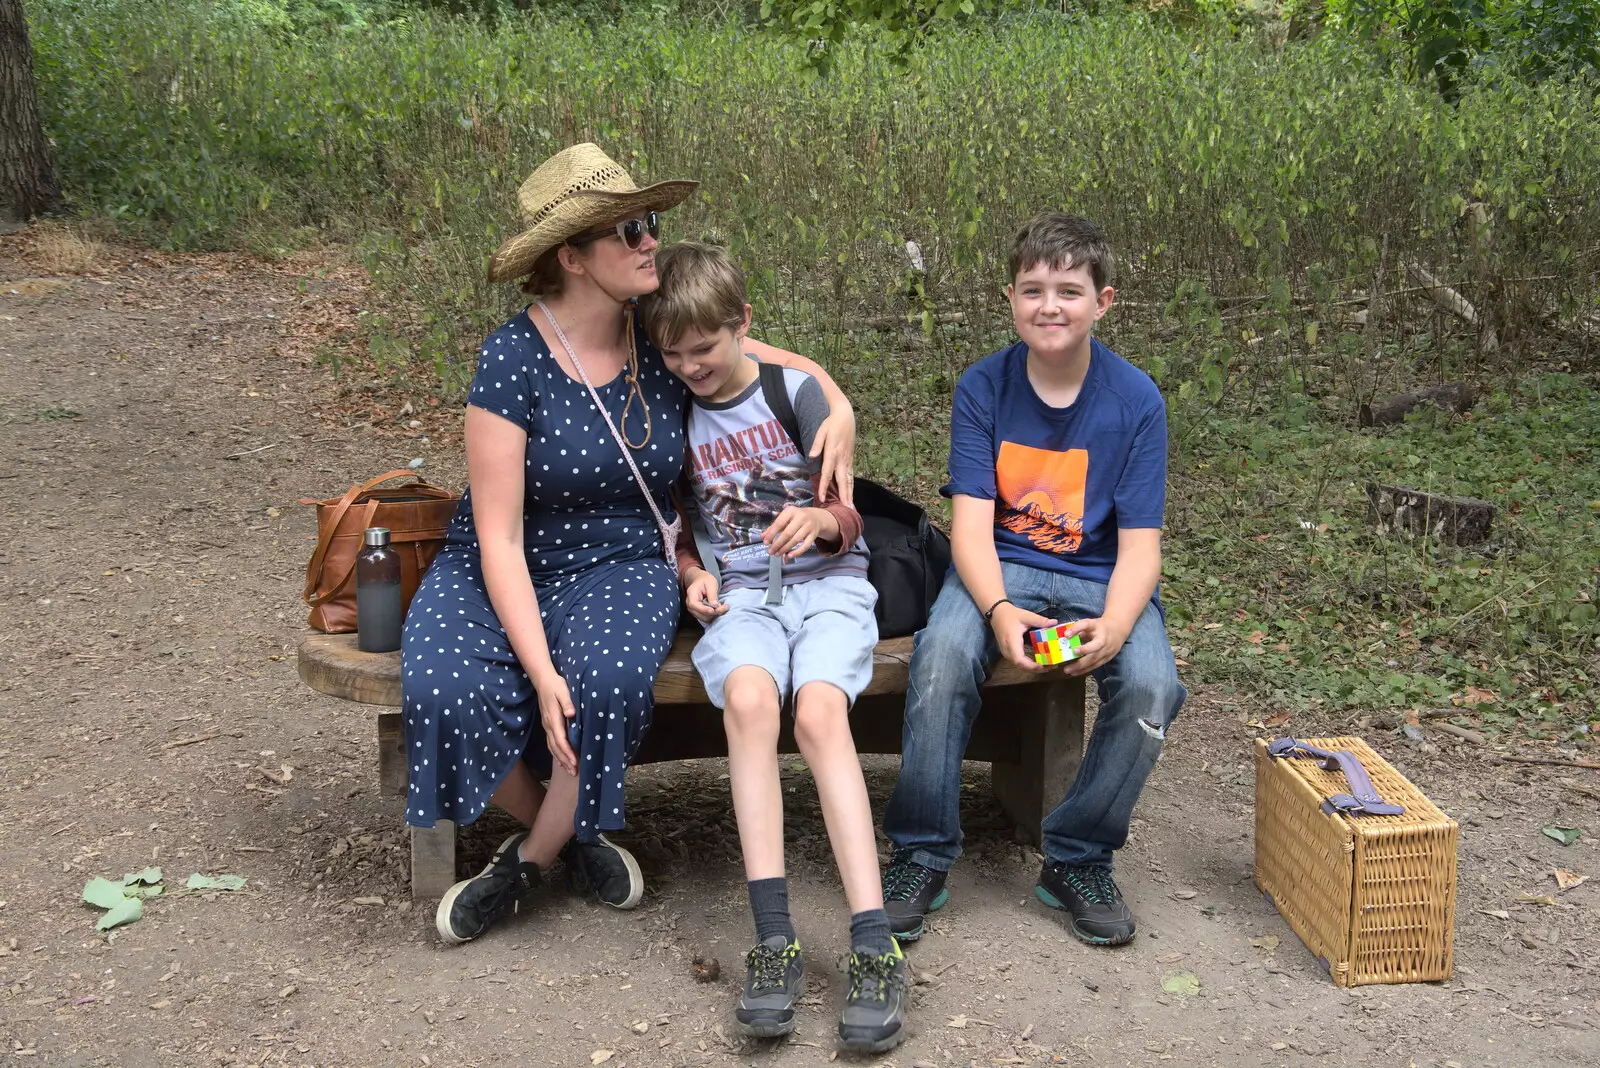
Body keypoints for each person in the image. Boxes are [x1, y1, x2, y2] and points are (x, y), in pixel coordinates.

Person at [402, 145, 856, 945]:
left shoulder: (658, 332)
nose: (650, 241)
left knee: (608, 681)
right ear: (571, 258)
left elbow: (758, 356)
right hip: (500, 562)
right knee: (441, 688)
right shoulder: (511, 359)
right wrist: (540, 671)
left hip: (620, 558)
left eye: (649, 223)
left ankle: (528, 864)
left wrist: (839, 405)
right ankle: (574, 833)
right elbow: (500, 536)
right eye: (628, 231)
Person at [880, 213, 1186, 947]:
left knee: (1151, 686)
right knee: (942, 656)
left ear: (1103, 302)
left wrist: (1114, 626)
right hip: (1000, 568)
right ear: (1010, 297)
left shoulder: (1136, 400)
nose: (1050, 306)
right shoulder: (984, 387)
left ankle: (1077, 857)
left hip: (1101, 576)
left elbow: (1143, 547)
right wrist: (995, 610)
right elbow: (972, 531)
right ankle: (921, 851)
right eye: (1033, 289)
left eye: (1069, 291)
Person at [639, 241, 907, 1055]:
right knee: (753, 703)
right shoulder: (674, 418)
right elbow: (680, 529)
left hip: (830, 586)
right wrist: (690, 576)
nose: (692, 367)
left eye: (706, 349)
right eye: (675, 355)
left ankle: (873, 941)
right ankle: (774, 937)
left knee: (821, 715)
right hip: (745, 597)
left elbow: (851, 514)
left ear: (743, 326)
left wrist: (822, 521)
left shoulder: (796, 393)